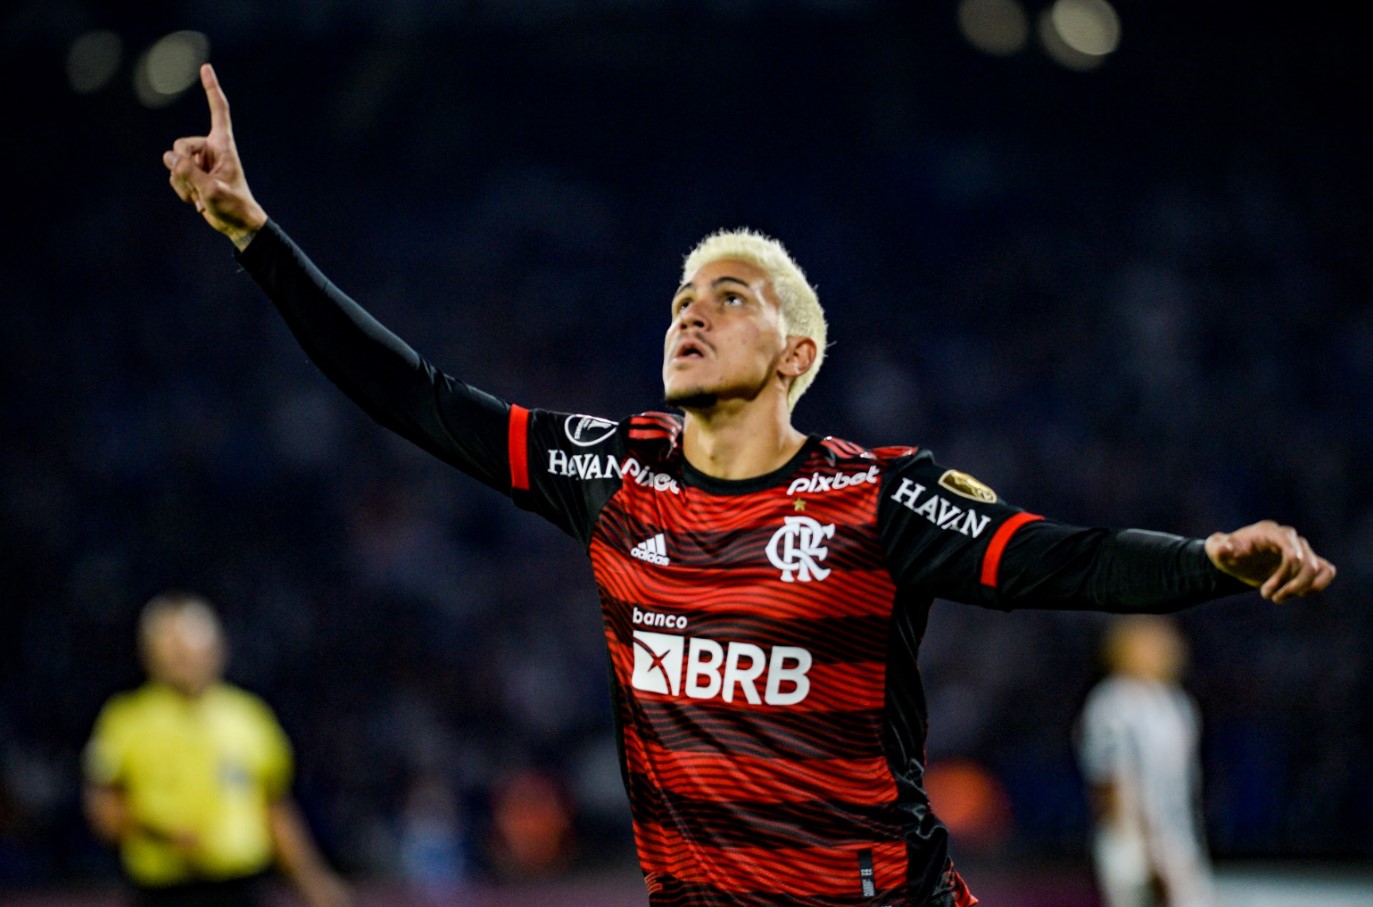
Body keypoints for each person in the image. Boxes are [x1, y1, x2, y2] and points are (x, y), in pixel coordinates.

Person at [161, 63, 1336, 906]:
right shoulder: (608, 470)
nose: (691, 308)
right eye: (682, 295)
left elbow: (1061, 559)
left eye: (730, 296)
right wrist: (252, 234)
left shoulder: (876, 498)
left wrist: (1205, 561)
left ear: (795, 355)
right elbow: (415, 395)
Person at [83, 591, 352, 907]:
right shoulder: (125, 720)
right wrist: (159, 832)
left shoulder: (249, 717)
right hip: (163, 889)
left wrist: (312, 881)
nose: (181, 658)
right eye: (170, 648)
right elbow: (103, 811)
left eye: (189, 647)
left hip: (238, 887)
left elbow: (274, 809)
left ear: (216, 649)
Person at [1076, 616, 1216, 907]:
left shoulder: (1176, 704)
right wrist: (1144, 854)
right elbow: (1110, 780)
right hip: (1137, 848)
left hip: (1177, 841)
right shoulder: (1114, 703)